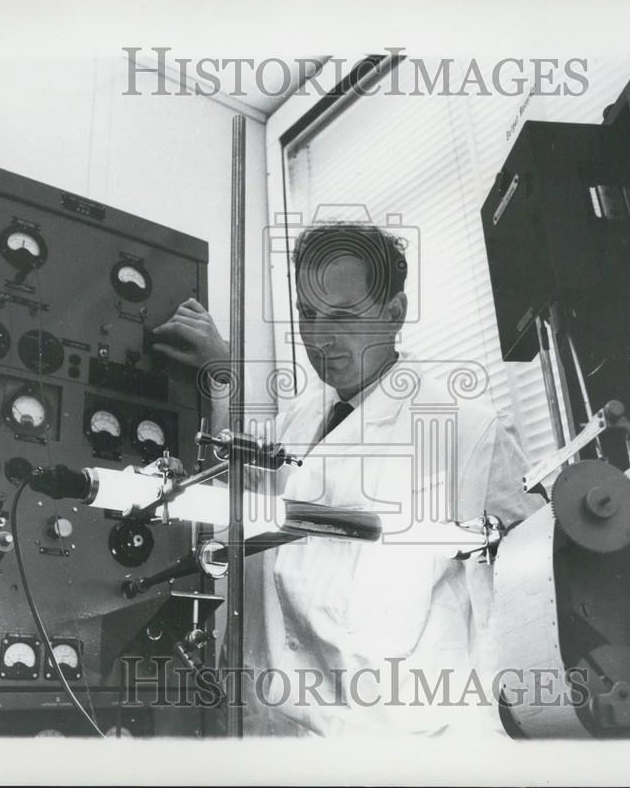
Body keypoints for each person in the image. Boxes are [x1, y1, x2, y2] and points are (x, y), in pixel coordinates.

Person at [151, 222, 540, 736]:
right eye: (307, 314)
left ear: (395, 313)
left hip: (399, 745)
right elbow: (240, 497)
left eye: (343, 316)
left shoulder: (467, 432)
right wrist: (223, 374)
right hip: (275, 735)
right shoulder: (298, 421)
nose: (320, 339)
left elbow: (534, 588)